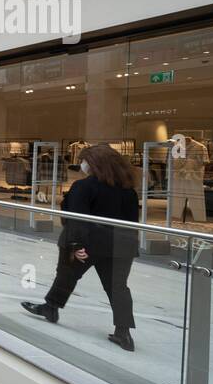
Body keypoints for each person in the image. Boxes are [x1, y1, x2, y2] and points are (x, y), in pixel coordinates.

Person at [21, 144, 140, 351]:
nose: (81, 164)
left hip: (87, 244)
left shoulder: (84, 187)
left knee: (67, 274)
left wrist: (76, 245)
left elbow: (76, 218)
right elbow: (131, 223)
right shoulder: (128, 191)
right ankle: (124, 332)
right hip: (120, 246)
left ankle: (51, 308)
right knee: (118, 287)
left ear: (93, 164)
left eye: (84, 160)